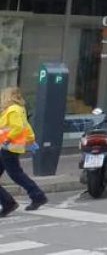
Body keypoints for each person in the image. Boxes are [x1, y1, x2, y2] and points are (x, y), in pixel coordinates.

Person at [0, 87, 47, 217]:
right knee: (17, 174)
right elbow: (26, 126)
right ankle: (10, 202)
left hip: (8, 147)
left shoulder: (13, 110)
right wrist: (31, 139)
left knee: (16, 174)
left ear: (7, 97)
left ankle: (35, 196)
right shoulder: (16, 110)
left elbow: (18, 127)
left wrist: (7, 140)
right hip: (8, 147)